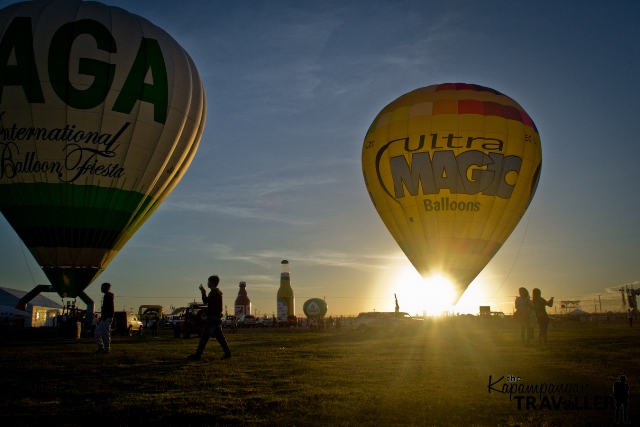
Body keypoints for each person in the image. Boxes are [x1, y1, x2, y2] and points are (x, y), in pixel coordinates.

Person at [188, 276, 232, 361]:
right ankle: (228, 354)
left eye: (208, 281)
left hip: (212, 319)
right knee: (220, 338)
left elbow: (206, 301)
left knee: (204, 337)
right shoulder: (217, 292)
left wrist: (203, 292)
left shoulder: (213, 293)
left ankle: (198, 355)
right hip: (216, 319)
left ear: (211, 283)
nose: (207, 283)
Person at [94, 283, 114, 354]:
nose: (101, 289)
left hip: (107, 318)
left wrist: (107, 316)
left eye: (102, 287)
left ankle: (106, 349)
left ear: (106, 288)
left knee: (105, 334)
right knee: (97, 332)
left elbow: (108, 308)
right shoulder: (106, 296)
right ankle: (101, 347)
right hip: (104, 318)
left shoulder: (108, 296)